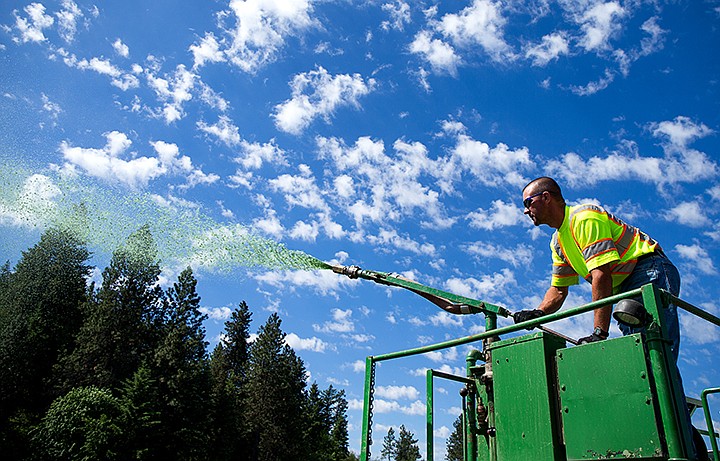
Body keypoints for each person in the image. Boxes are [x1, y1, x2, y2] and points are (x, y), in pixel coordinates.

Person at [512, 177, 682, 358]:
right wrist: (538, 312)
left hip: (648, 270)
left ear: (546, 197)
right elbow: (559, 290)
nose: (525, 211)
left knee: (655, 351)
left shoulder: (583, 217)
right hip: (626, 285)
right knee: (641, 353)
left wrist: (599, 333)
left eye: (528, 202)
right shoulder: (558, 242)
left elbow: (601, 275)